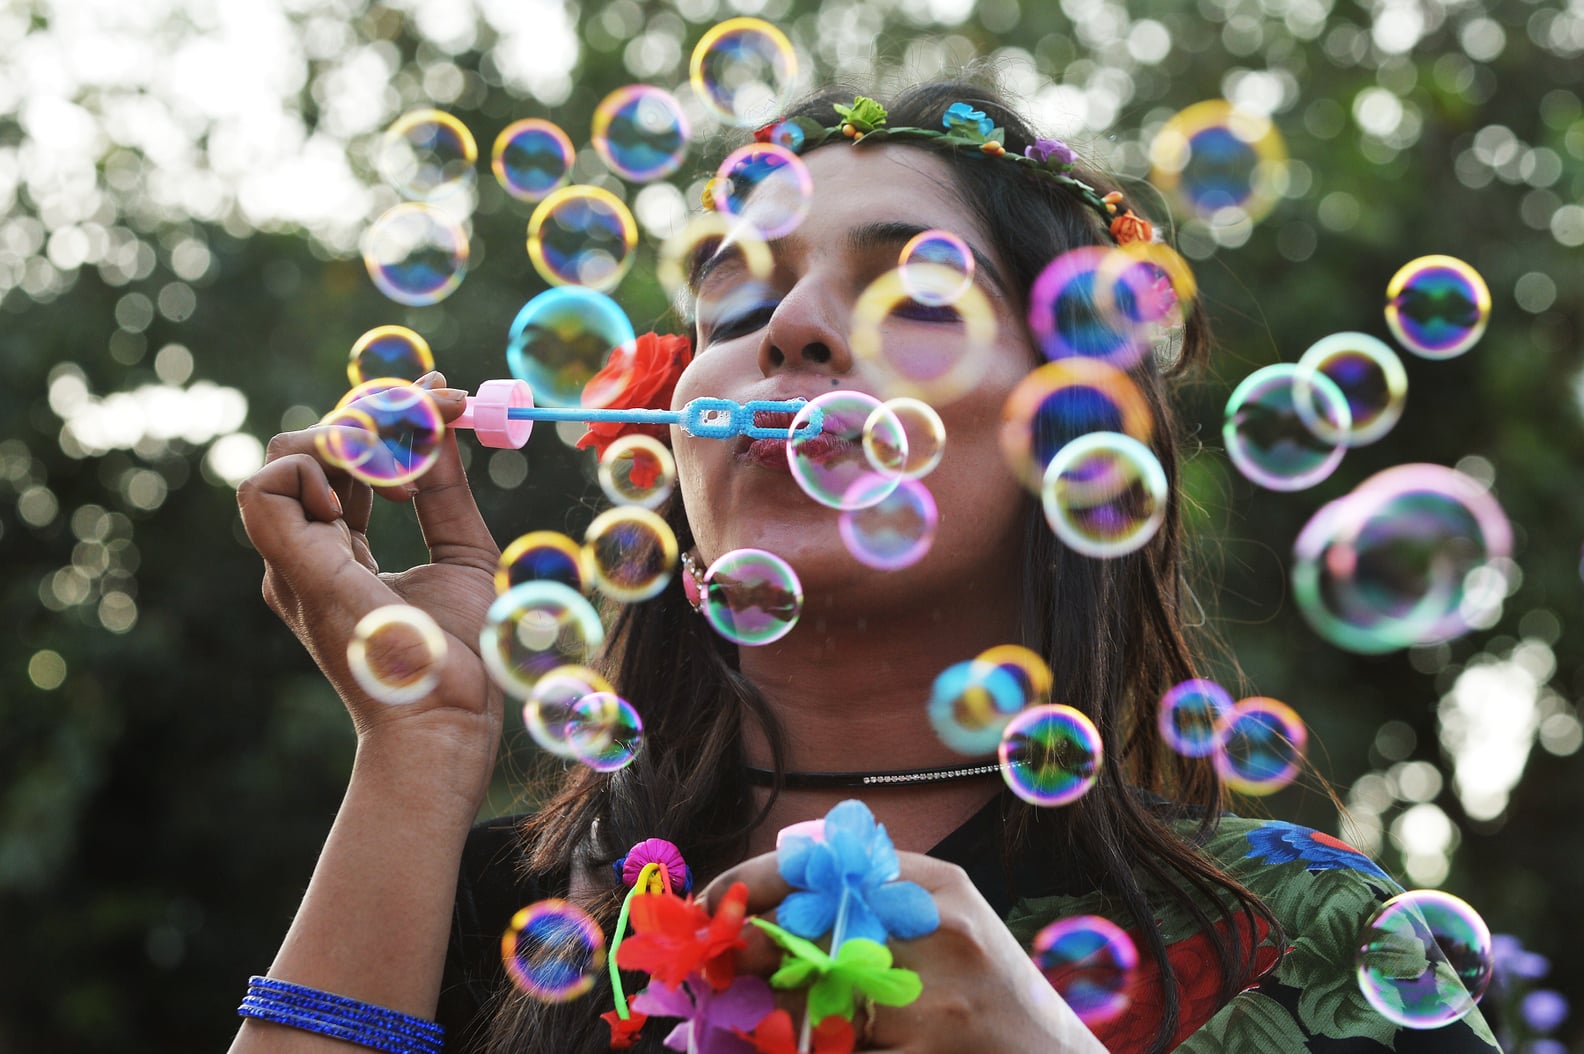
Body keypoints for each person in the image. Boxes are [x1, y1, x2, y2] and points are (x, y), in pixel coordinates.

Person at [230, 79, 1502, 1054]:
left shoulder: (1302, 937)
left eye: (915, 295)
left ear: (1069, 428)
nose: (787, 327)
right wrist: (421, 742)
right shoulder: (477, 916)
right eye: (735, 309)